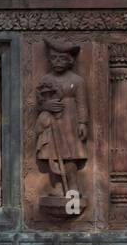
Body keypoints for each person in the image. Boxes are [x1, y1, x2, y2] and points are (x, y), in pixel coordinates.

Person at [35, 38, 89, 200]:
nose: (57, 62)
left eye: (61, 58)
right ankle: (58, 186)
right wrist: (46, 106)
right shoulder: (46, 80)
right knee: (53, 153)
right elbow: (38, 103)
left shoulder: (77, 81)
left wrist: (82, 123)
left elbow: (82, 103)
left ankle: (72, 186)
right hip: (52, 122)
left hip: (70, 121)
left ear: (69, 61)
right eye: (54, 58)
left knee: (70, 155)